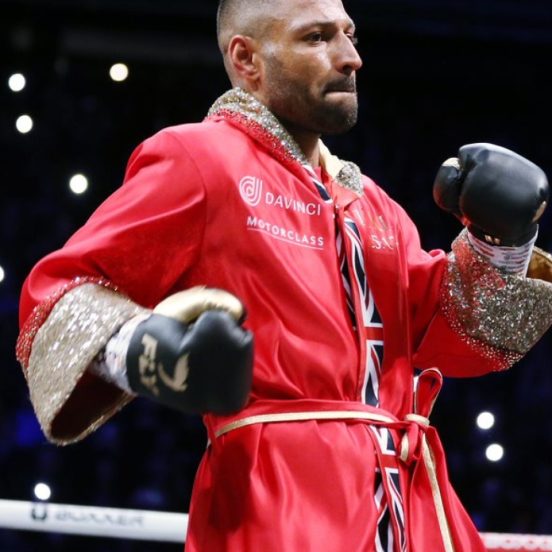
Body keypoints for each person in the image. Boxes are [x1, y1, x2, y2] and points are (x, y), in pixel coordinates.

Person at [16, 0, 552, 550]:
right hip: (283, 504)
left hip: (408, 511)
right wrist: (149, 353)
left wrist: (503, 244)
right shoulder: (201, 159)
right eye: (317, 37)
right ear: (246, 59)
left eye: (349, 34)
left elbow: (456, 338)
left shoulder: (372, 204)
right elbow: (56, 297)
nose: (350, 57)